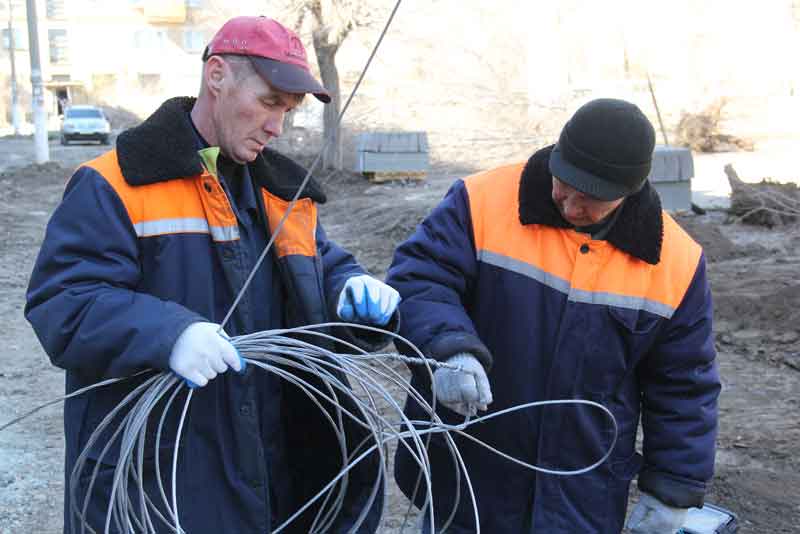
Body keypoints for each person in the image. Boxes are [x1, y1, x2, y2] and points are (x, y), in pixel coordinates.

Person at [25, 16, 399, 534]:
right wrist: (170, 334)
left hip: (270, 474)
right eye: (269, 103)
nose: (277, 126)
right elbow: (64, 302)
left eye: (287, 111)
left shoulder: (280, 193)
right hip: (161, 481)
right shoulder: (113, 185)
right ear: (217, 76)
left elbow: (318, 267)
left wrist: (349, 290)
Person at [387, 98, 721, 533]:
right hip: (468, 469)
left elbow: (685, 383)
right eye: (564, 184)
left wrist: (673, 490)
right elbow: (419, 277)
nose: (567, 203)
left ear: (627, 194)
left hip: (581, 491)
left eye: (590, 200)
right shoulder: (481, 201)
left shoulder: (675, 262)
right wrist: (449, 349)